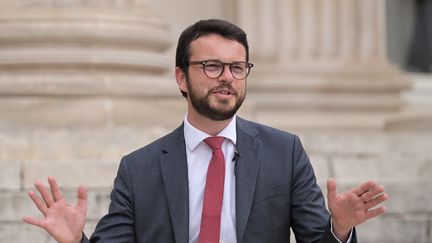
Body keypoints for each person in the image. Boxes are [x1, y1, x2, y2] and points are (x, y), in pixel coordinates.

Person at [23, 19, 388, 243]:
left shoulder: (284, 152)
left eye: (238, 67)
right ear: (181, 77)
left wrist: (339, 230)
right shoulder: (139, 169)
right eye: (212, 66)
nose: (227, 77)